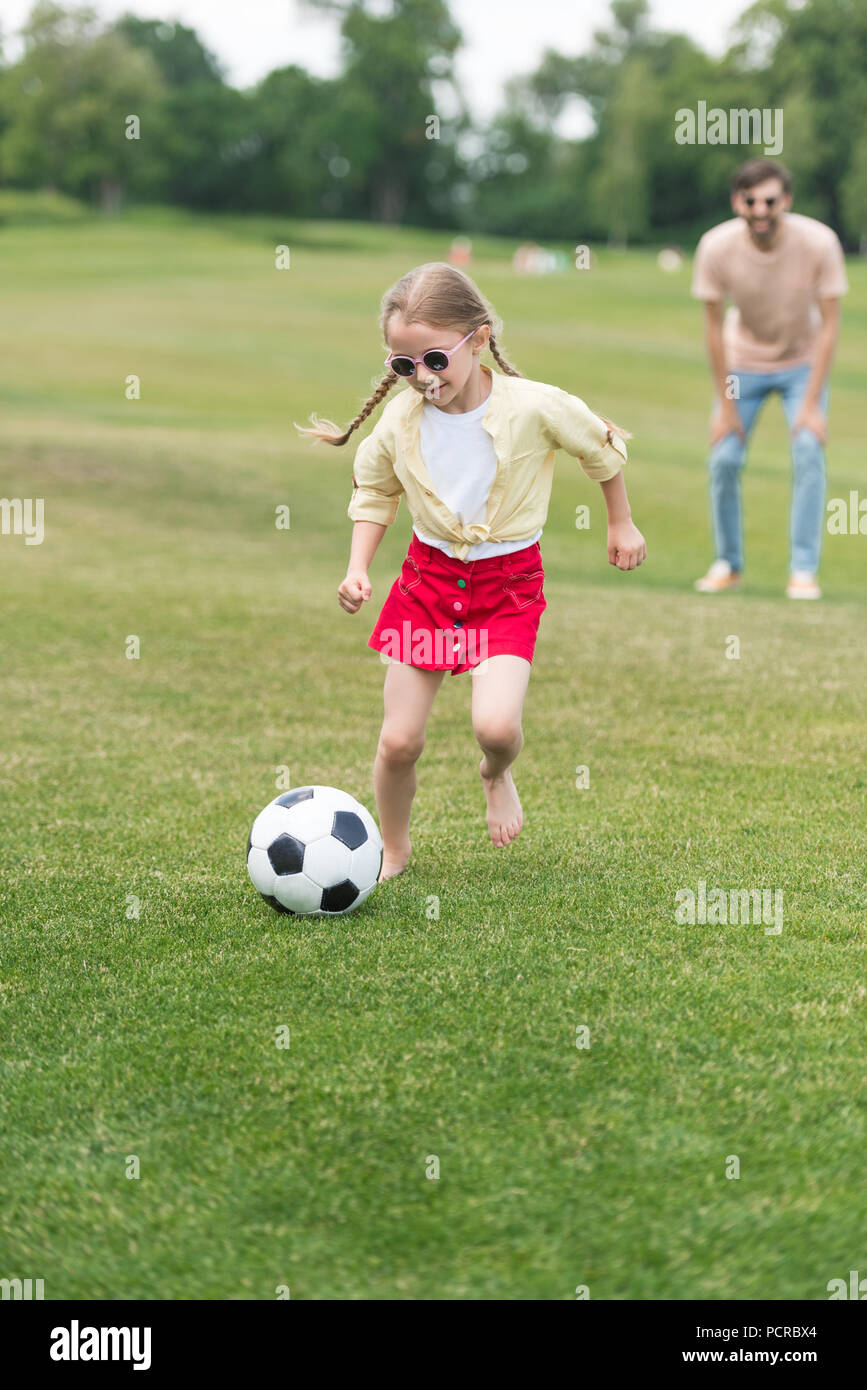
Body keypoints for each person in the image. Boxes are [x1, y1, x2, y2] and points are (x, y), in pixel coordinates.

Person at [295, 262, 646, 881]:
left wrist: (620, 523)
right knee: (399, 741)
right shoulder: (400, 422)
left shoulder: (535, 407)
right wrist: (357, 568)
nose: (422, 379)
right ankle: (394, 850)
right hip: (426, 584)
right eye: (403, 366)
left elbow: (601, 448)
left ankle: (496, 773)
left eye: (434, 360)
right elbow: (375, 493)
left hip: (507, 588)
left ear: (478, 340)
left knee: (497, 727)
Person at [691, 158, 848, 599]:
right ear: (737, 202)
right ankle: (728, 564)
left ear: (786, 201)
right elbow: (712, 326)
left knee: (807, 448)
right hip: (743, 364)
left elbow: (832, 322)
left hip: (802, 363)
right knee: (723, 457)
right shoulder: (715, 246)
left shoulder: (820, 242)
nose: (761, 210)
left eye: (770, 200)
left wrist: (813, 403)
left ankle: (803, 571)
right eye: (751, 200)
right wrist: (725, 406)